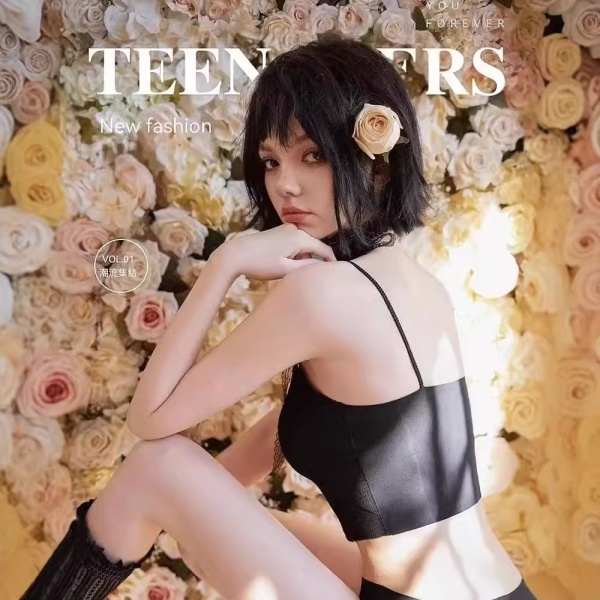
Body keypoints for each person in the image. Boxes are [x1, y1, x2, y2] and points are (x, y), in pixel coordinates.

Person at [21, 34, 537, 600]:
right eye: (271, 161)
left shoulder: (320, 294)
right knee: (188, 497)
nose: (284, 184)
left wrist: (226, 262)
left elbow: (151, 419)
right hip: (497, 590)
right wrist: (188, 513)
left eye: (312, 155)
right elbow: (300, 430)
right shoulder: (418, 282)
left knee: (154, 465)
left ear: (378, 165)